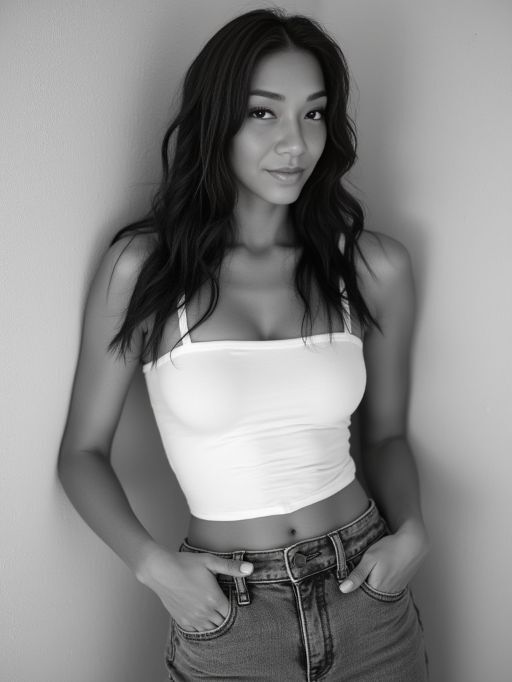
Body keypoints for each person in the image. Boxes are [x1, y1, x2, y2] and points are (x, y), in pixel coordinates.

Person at [58, 8, 429, 681]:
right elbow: (81, 454)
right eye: (264, 112)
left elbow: (387, 437)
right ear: (218, 120)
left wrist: (412, 533)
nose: (296, 142)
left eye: (313, 113)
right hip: (231, 613)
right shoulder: (145, 270)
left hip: (367, 593)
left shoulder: (374, 268)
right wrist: (154, 567)